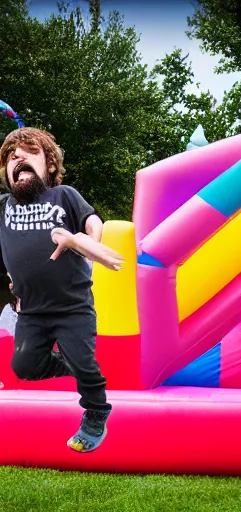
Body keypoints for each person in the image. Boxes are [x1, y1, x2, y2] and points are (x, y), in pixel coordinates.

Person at [0, 127, 124, 452]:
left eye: (29, 151)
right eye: (11, 156)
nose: (18, 157)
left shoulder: (63, 195)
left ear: (50, 165)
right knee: (23, 367)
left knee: (85, 363)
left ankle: (97, 414)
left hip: (73, 306)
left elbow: (92, 221)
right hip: (32, 310)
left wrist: (83, 240)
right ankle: (64, 362)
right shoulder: (3, 207)